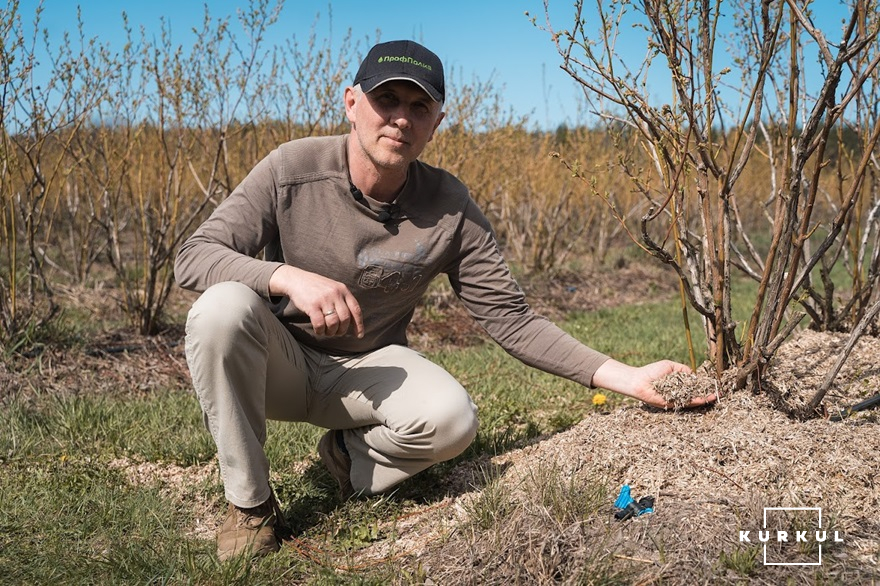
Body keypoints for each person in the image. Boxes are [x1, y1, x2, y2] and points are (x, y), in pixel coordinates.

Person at [174, 39, 715, 561]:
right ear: (352, 102)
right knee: (221, 309)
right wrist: (285, 276)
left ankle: (347, 457)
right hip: (277, 366)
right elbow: (193, 256)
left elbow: (511, 318)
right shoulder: (291, 168)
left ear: (437, 121)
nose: (400, 118)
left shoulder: (449, 205)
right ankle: (251, 506)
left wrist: (626, 377)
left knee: (452, 419)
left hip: (367, 371)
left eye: (419, 105)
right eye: (386, 99)